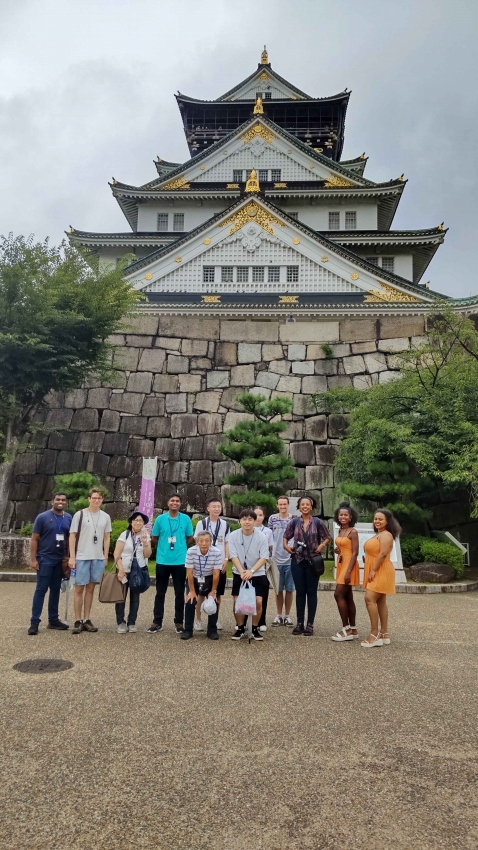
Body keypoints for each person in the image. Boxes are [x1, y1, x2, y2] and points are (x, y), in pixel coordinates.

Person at [284, 496, 332, 636]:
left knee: (311, 592)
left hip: (313, 561)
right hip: (297, 560)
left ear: (311, 507)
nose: (305, 506)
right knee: (300, 592)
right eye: (302, 504)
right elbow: (286, 536)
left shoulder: (317, 522)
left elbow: (327, 537)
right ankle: (300, 623)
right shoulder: (294, 522)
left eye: (307, 504)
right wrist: (286, 546)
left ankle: (310, 624)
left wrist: (321, 545)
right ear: (299, 507)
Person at [148, 494, 194, 634]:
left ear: (180, 504)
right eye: (172, 500)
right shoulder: (161, 519)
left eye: (177, 501)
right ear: (168, 503)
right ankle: (157, 621)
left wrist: (181, 546)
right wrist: (164, 547)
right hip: (162, 560)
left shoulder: (185, 519)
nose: (175, 503)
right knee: (160, 592)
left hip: (180, 561)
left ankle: (179, 622)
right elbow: (154, 538)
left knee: (179, 593)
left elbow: (191, 537)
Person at [28, 492, 72, 635]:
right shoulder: (42, 517)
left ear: (66, 502)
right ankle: (34, 621)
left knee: (56, 590)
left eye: (63, 500)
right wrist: (33, 559)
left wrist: (70, 557)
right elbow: (35, 539)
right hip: (45, 558)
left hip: (60, 559)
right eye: (58, 499)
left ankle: (53, 619)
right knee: (41, 590)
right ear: (52, 501)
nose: (60, 502)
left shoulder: (68, 518)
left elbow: (71, 538)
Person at [69, 488, 111, 634]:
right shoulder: (79, 515)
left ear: (102, 500)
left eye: (99, 498)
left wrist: (105, 556)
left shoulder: (105, 516)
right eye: (94, 498)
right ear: (89, 499)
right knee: (79, 588)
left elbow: (106, 537)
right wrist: (72, 556)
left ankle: (87, 619)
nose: (96, 500)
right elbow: (72, 536)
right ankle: (77, 619)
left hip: (97, 557)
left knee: (91, 588)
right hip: (81, 556)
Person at [361, 509, 400, 648]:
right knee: (381, 601)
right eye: (375, 518)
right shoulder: (379, 534)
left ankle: (374, 634)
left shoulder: (386, 534)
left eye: (380, 519)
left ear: (387, 521)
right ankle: (384, 633)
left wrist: (373, 570)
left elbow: (383, 553)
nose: (377, 521)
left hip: (381, 570)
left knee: (369, 599)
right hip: (377, 568)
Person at [229, 509, 269, 642]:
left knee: (258, 601)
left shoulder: (262, 536)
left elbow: (264, 557)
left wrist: (251, 571)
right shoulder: (233, 535)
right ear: (239, 521)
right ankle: (240, 628)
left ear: (254, 521)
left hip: (257, 573)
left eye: (250, 519)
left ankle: (255, 628)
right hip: (239, 572)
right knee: (237, 602)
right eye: (244, 519)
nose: (247, 522)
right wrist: (242, 572)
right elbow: (232, 555)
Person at [193, 498, 230, 631]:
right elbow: (197, 541)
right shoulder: (202, 523)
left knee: (217, 594)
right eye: (214, 506)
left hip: (219, 563)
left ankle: (215, 619)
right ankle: (198, 620)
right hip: (204, 564)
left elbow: (226, 542)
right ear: (208, 508)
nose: (216, 509)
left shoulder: (225, 524)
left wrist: (226, 559)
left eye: (219, 506)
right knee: (200, 594)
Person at [114, 511, 152, 633]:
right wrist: (120, 569)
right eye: (135, 520)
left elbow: (148, 554)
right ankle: (120, 622)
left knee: (135, 597)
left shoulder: (145, 535)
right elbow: (116, 553)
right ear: (131, 522)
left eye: (140, 520)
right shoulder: (124, 535)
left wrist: (146, 542)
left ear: (143, 523)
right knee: (120, 597)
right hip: (124, 569)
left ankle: (132, 622)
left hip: (138, 569)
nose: (138, 522)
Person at [181, 530, 222, 641]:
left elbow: (216, 573)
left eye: (207, 540)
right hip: (194, 578)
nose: (204, 543)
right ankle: (188, 630)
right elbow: (189, 572)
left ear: (211, 542)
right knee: (190, 601)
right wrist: (192, 591)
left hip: (209, 578)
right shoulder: (191, 551)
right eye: (201, 541)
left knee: (214, 602)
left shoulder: (217, 552)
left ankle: (212, 630)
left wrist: (213, 591)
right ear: (197, 541)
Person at [331, 502, 360, 642]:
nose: (343, 517)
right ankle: (353, 629)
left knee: (338, 594)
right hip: (342, 563)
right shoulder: (340, 530)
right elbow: (343, 546)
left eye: (345, 515)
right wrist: (338, 549)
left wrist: (348, 572)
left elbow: (355, 553)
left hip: (349, 564)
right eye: (341, 514)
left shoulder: (352, 531)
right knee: (348, 596)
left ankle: (346, 629)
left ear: (350, 517)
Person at [268, 496, 294, 627]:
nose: (283, 506)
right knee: (278, 590)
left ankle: (287, 615)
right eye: (280, 504)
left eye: (285, 504)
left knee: (289, 589)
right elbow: (269, 535)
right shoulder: (272, 518)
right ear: (277, 505)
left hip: (290, 558)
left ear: (288, 505)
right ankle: (278, 615)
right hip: (276, 559)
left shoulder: (294, 519)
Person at [253, 506, 273, 632]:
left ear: (264, 516)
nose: (258, 517)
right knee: (247, 595)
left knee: (262, 595)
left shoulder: (268, 531)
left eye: (261, 515)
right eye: (256, 515)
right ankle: (245, 620)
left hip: (263, 567)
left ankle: (262, 620)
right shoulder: (246, 529)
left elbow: (271, 549)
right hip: (248, 566)